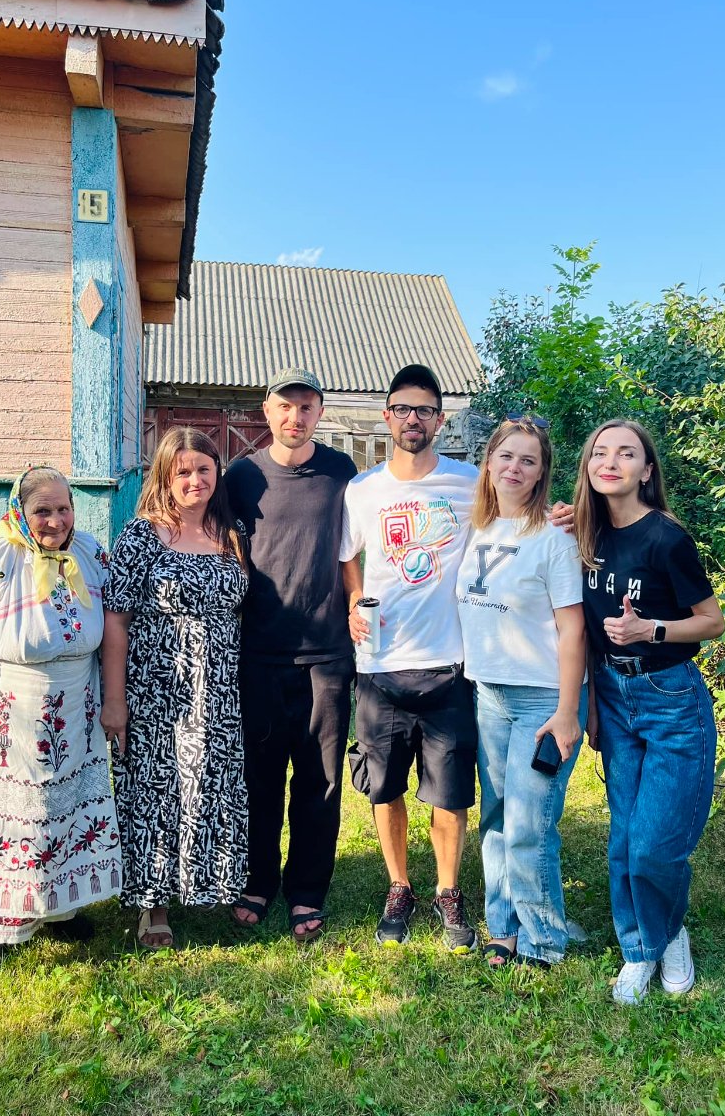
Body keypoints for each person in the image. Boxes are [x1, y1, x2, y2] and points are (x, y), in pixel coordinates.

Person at [0, 466, 121, 969]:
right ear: (20, 511)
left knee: (64, 812)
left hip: (75, 712)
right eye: (43, 511)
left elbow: (114, 625)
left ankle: (59, 909)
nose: (56, 520)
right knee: (12, 818)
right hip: (8, 714)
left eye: (64, 508)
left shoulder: (90, 554)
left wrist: (112, 699)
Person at [574, 419, 724, 1004]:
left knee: (656, 844)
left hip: (671, 699)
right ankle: (639, 950)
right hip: (613, 697)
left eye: (626, 453)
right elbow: (587, 632)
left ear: (646, 471)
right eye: (600, 452)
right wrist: (591, 703)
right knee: (623, 839)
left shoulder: (666, 538)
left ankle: (669, 933)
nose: (610, 461)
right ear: (589, 466)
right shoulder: (584, 534)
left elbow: (711, 621)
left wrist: (650, 629)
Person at [342, 364, 481, 952]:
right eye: (402, 408)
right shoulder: (363, 490)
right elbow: (348, 556)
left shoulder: (471, 483)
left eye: (424, 410)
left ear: (440, 420)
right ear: (387, 416)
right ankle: (399, 886)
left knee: (449, 792)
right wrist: (354, 598)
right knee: (385, 788)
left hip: (450, 661)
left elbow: (516, 522)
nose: (412, 419)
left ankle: (448, 891)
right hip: (380, 665)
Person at [101, 428, 248, 949]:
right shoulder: (142, 536)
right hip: (158, 690)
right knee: (157, 793)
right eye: (182, 471)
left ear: (217, 473)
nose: (194, 480)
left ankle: (207, 883)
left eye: (203, 469)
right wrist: (114, 700)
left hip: (218, 690)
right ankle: (153, 906)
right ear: (164, 476)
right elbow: (115, 619)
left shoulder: (231, 532)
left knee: (209, 786)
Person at [224, 368, 356, 943]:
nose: (295, 417)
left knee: (320, 782)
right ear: (267, 410)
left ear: (319, 413)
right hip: (258, 652)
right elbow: (210, 537)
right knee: (258, 777)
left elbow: (363, 545)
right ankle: (257, 880)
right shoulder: (242, 476)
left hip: (327, 654)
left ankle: (306, 889)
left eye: (306, 407)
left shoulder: (342, 473)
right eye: (285, 406)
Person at [456, 416, 587, 969]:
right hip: (489, 694)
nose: (515, 467)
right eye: (506, 456)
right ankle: (503, 927)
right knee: (496, 817)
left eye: (528, 460)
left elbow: (573, 629)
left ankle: (543, 940)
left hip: (543, 700)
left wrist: (567, 711)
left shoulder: (555, 538)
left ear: (541, 473)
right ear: (489, 462)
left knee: (530, 825)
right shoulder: (477, 528)